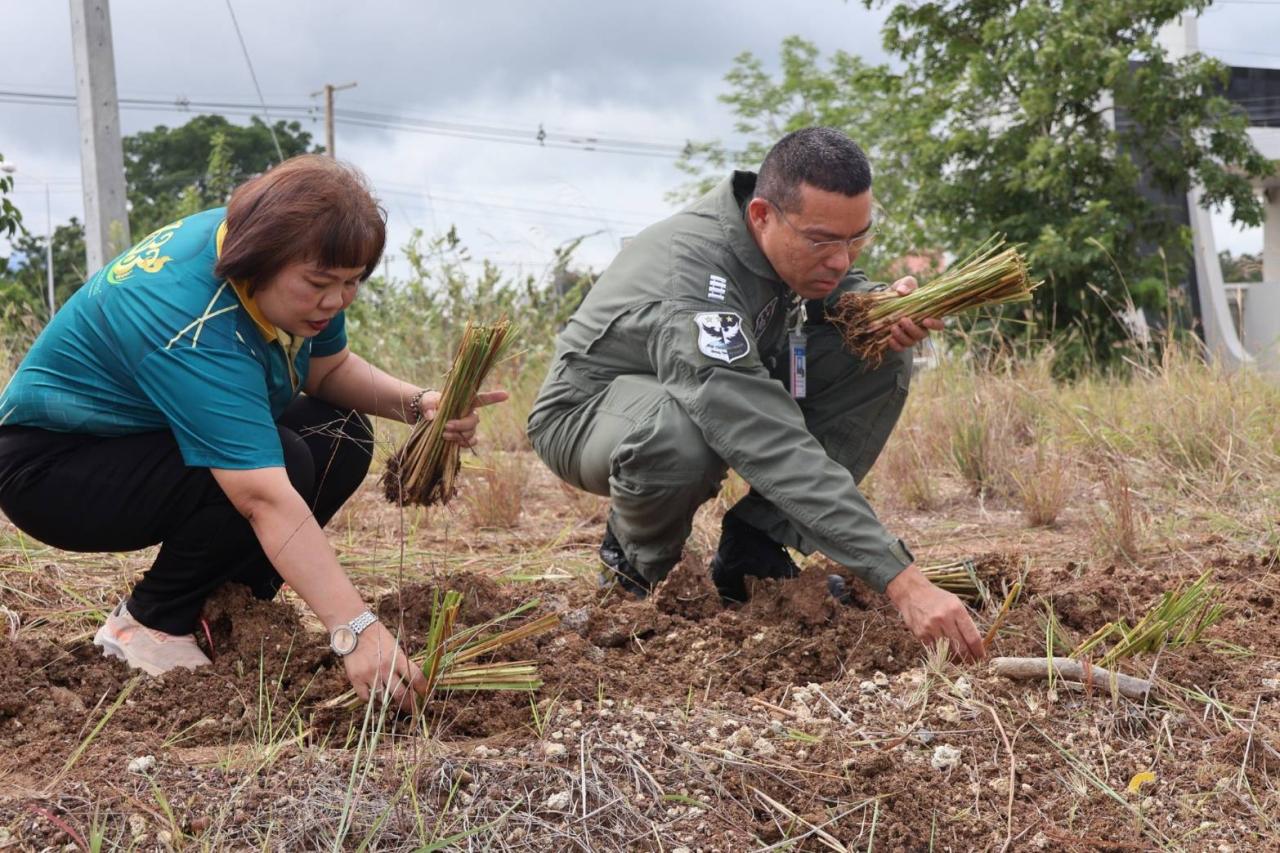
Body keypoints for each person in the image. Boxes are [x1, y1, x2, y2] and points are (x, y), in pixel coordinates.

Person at [0, 155, 507, 707]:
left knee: (340, 434)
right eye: (320, 284)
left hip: (142, 439)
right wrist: (356, 631)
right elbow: (262, 498)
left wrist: (420, 404)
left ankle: (225, 613)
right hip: (53, 470)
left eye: (352, 282)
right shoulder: (191, 319)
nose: (336, 301)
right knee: (280, 464)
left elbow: (327, 370)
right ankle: (147, 625)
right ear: (257, 262)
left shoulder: (292, 250)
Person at [527, 127, 984, 661]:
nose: (840, 260)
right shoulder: (696, 271)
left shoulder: (791, 240)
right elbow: (759, 432)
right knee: (679, 434)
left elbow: (839, 285)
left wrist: (875, 304)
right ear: (763, 215)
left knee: (876, 348)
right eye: (822, 241)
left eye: (855, 239)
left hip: (688, 394)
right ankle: (635, 573)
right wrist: (900, 579)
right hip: (588, 415)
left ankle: (753, 550)